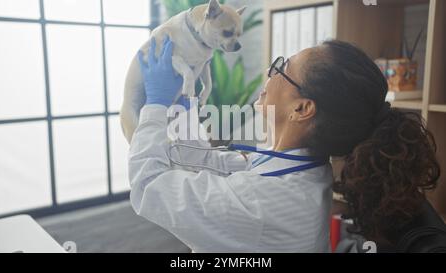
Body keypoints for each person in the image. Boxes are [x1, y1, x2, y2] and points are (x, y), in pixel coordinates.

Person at [128, 37, 443, 252]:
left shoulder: (261, 202)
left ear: (302, 109)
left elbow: (148, 185)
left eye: (281, 68)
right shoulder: (304, 165)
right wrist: (183, 114)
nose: (269, 72)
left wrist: (154, 106)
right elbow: (218, 165)